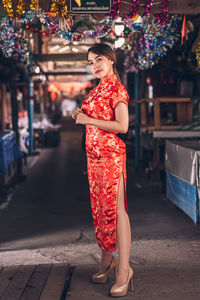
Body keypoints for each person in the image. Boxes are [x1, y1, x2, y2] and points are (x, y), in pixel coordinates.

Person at [72, 43, 133, 297]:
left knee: (117, 212)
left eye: (99, 60)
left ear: (111, 59)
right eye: (90, 62)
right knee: (100, 211)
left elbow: (122, 126)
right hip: (94, 158)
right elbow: (95, 119)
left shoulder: (117, 89)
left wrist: (86, 119)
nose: (95, 66)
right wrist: (80, 113)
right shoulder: (98, 90)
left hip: (111, 157)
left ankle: (124, 271)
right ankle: (106, 263)